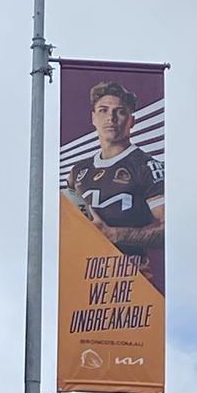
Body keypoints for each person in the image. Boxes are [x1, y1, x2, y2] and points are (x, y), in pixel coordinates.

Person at [64, 81, 164, 266]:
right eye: (103, 110)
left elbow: (167, 228)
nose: (111, 117)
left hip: (134, 280)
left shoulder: (147, 166)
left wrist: (114, 234)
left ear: (131, 120)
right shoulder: (78, 172)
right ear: (93, 118)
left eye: (120, 111)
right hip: (84, 277)